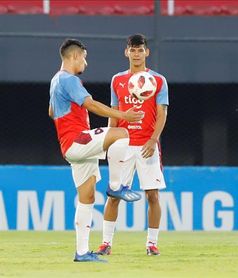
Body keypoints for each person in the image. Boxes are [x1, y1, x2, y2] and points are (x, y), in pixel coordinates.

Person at [49, 39, 144, 262]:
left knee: (87, 197)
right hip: (77, 140)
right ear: (74, 56)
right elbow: (90, 104)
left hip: (70, 146)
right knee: (122, 134)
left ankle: (81, 252)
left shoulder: (56, 81)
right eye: (84, 57)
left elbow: (52, 111)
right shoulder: (69, 79)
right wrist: (122, 116)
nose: (86, 62)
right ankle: (115, 186)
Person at [96, 34, 169, 256]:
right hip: (123, 145)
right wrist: (109, 140)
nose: (136, 54)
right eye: (132, 50)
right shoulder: (117, 80)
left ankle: (152, 244)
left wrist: (153, 139)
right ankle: (106, 243)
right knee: (114, 195)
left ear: (147, 52)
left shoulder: (158, 80)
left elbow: (162, 113)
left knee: (153, 195)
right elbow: (114, 114)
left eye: (140, 50)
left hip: (147, 145)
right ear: (126, 52)